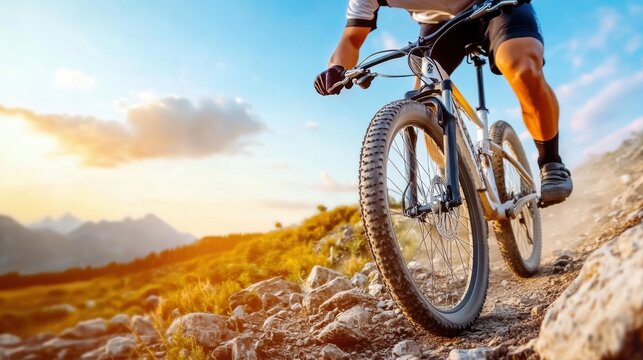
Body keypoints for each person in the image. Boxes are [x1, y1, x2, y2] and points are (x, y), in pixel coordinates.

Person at [313, 0, 572, 207]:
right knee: (427, 101)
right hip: (440, 26)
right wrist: (336, 69)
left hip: (497, 7)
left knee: (521, 67)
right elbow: (351, 38)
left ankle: (551, 162)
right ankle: (458, 184)